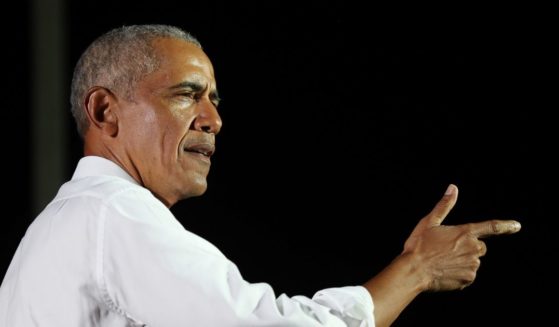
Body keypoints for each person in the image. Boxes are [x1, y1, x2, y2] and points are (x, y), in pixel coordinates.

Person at [0, 24, 521, 327]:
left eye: (214, 99)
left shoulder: (56, 229)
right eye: (186, 93)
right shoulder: (112, 214)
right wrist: (417, 270)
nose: (213, 118)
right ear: (105, 111)